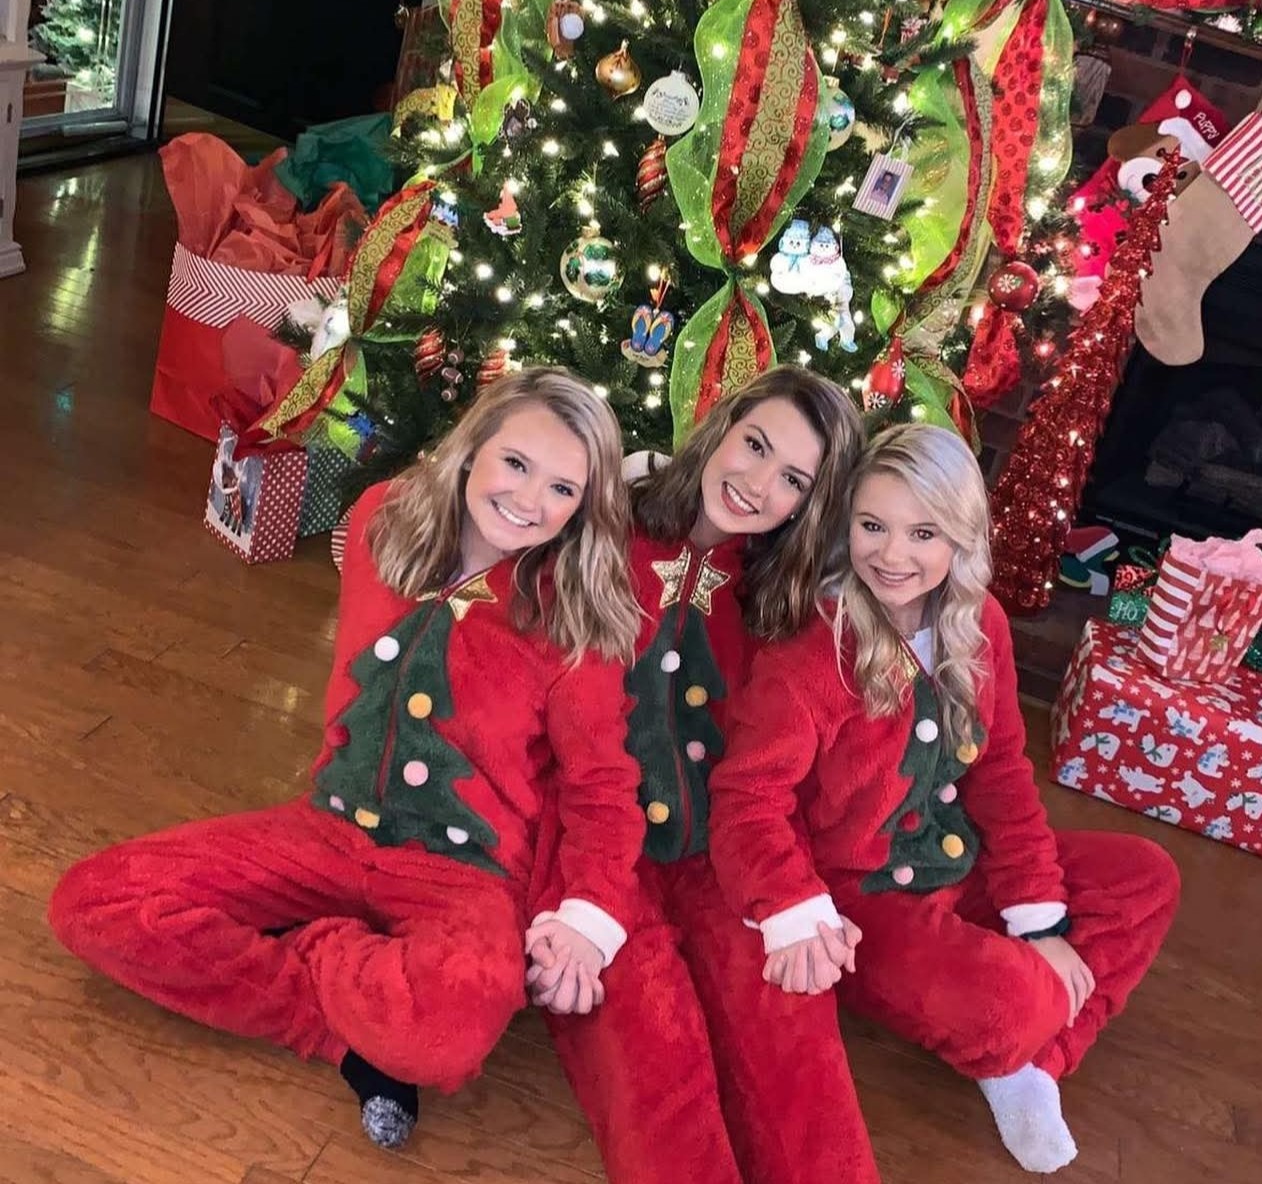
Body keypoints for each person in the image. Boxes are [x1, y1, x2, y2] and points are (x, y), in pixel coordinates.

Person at [48, 367, 646, 1152]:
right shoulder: (381, 521)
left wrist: (589, 919)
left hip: (461, 876)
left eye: (563, 489)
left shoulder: (574, 622)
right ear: (473, 447)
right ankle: (340, 1026)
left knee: (446, 1037)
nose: (530, 500)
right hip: (327, 831)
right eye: (516, 463)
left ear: (585, 507)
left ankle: (317, 947)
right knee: (92, 903)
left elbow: (603, 790)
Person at [709, 424, 1181, 1175]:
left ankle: (1033, 1065)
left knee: (1146, 877)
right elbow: (747, 799)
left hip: (958, 862)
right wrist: (790, 906)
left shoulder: (979, 623)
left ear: (960, 536)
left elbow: (1001, 772)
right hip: (863, 904)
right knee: (1012, 1004)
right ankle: (1023, 1030)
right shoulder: (814, 650)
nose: (893, 556)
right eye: (873, 526)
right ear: (846, 524)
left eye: (923, 533)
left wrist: (1039, 919)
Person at [527, 366, 883, 1184]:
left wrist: (785, 890)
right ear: (722, 425)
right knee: (657, 1068)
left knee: (794, 1045)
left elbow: (770, 774)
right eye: (755, 445)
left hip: (719, 852)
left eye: (793, 479)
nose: (758, 484)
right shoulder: (600, 522)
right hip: (595, 853)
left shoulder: (790, 598)